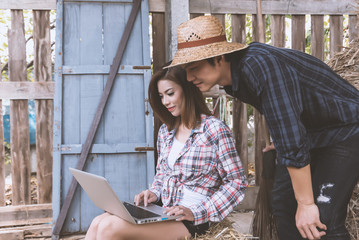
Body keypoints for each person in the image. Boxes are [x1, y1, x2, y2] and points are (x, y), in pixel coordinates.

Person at [166, 15, 359, 240]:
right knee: (283, 203)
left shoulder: (260, 66)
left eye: (194, 68)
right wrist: (282, 139)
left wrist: (306, 203)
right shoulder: (236, 76)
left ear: (218, 57)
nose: (188, 77)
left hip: (346, 129)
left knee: (323, 214)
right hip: (315, 133)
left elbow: (293, 139)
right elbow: (285, 108)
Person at [84, 65, 247, 240]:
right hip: (165, 210)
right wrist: (154, 192)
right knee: (98, 222)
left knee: (109, 228)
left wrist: (197, 212)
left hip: (193, 219)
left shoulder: (214, 129)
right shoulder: (166, 131)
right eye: (161, 96)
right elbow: (163, 174)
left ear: (187, 90)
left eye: (170, 93)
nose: (165, 102)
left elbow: (236, 182)